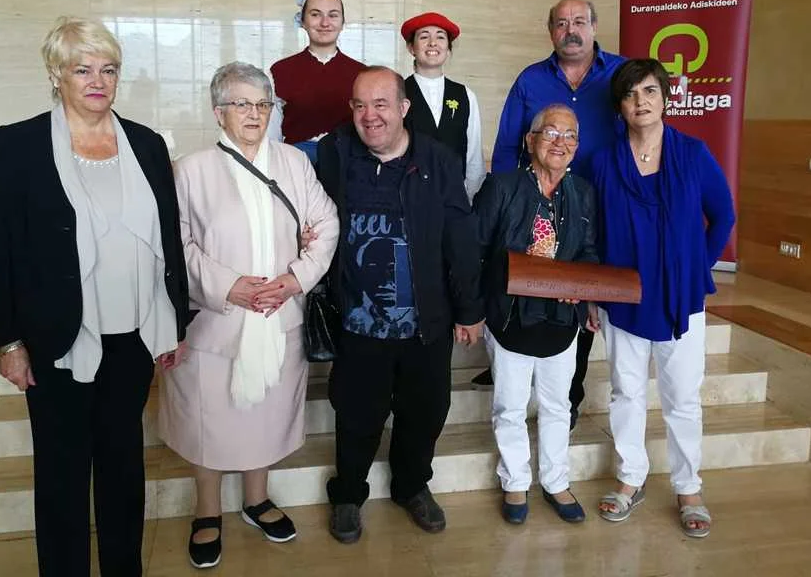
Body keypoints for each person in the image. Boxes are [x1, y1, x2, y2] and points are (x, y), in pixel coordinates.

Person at [0, 16, 190, 576]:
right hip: (56, 338)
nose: (98, 81)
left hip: (133, 335)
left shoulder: (145, 143)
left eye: (108, 69)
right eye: (82, 69)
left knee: (123, 467)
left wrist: (173, 323)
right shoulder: (19, 144)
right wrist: (7, 341)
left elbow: (168, 240)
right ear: (56, 75)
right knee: (61, 473)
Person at [158, 62, 339, 569]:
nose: (254, 113)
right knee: (209, 420)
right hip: (216, 320)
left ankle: (257, 500)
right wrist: (228, 286)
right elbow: (177, 246)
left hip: (279, 313)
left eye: (263, 103)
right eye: (241, 104)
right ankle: (207, 510)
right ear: (218, 112)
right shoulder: (191, 170)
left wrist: (296, 277)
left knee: (264, 416)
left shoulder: (294, 163)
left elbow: (326, 221)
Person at [316, 66, 484, 544]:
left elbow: (460, 237)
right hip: (357, 321)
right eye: (359, 105)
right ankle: (348, 494)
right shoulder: (335, 152)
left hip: (425, 323)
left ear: (404, 108)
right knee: (356, 414)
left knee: (425, 412)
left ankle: (411, 486)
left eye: (381, 104)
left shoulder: (439, 161)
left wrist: (470, 309)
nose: (369, 116)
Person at [590, 58, 735, 539]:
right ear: (620, 106)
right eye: (630, 95)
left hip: (680, 296)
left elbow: (724, 215)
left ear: (666, 98)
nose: (641, 102)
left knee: (682, 397)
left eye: (650, 91)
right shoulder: (603, 161)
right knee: (626, 392)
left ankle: (688, 487)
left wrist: (697, 267)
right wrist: (592, 294)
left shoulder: (693, 153)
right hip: (623, 296)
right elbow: (592, 233)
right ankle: (630, 478)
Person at [475, 0, 624, 427]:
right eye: (561, 23)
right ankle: (508, 359)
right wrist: (506, 200)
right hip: (533, 200)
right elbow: (508, 144)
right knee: (520, 281)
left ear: (594, 27)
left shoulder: (619, 75)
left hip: (596, 203)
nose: (570, 30)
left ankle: (569, 395)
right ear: (551, 31)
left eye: (579, 22)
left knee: (575, 293)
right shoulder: (531, 79)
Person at [475, 104, 598, 526]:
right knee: (510, 406)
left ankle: (556, 480)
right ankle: (514, 480)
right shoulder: (502, 187)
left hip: (561, 320)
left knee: (557, 405)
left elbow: (589, 251)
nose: (560, 142)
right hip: (510, 317)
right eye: (551, 133)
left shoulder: (583, 192)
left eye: (570, 135)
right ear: (531, 141)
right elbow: (476, 249)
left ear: (577, 146)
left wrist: (581, 289)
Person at [269, 0, 365, 163]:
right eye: (315, 14)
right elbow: (272, 133)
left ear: (343, 22)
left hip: (348, 163)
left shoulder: (362, 73)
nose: (325, 23)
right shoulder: (280, 70)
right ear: (302, 21)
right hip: (295, 162)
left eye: (333, 15)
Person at [400, 11, 486, 199]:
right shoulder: (397, 93)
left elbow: (473, 156)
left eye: (440, 37)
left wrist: (471, 201)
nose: (433, 43)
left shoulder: (465, 95)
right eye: (424, 37)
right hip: (409, 196)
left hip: (454, 197)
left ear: (448, 49)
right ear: (411, 48)